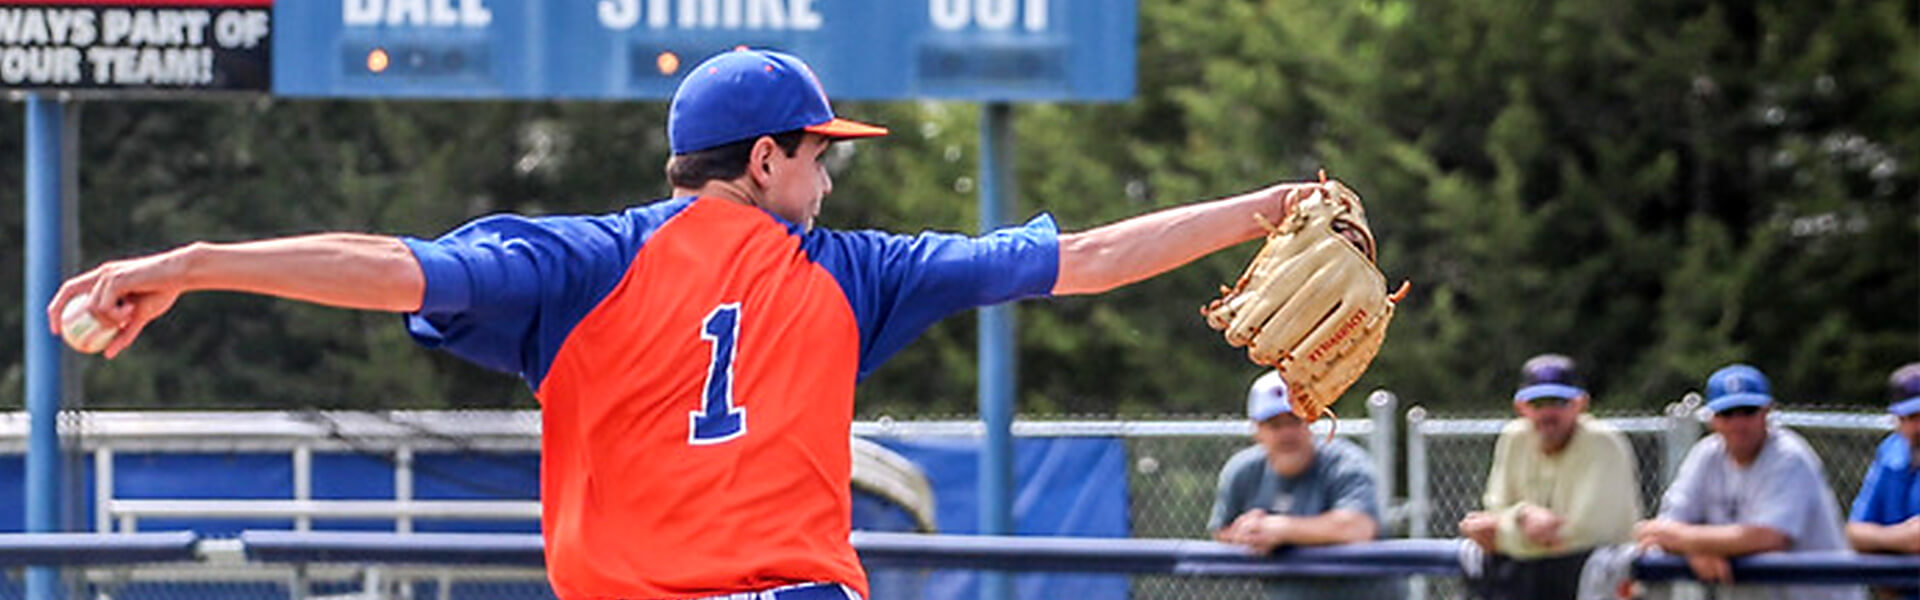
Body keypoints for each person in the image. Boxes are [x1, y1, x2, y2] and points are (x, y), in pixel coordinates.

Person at [50, 48, 1357, 600]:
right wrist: (1261, 208)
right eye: (821, 153)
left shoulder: (575, 263)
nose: (832, 174)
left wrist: (196, 260)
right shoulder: (853, 269)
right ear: (771, 157)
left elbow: (389, 268)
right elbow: (1079, 260)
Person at [1634, 364, 1862, 600]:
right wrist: (1694, 551)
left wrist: (1687, 542)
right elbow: (1662, 529)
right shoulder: (1706, 455)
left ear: (1767, 412)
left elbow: (1769, 537)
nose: (1738, 423)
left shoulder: (1789, 456)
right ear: (1712, 419)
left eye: (1748, 411)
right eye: (1727, 414)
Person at [1456, 354, 1641, 600]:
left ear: (1580, 404)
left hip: (1592, 581)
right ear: (1521, 407)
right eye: (1538, 403)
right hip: (1528, 576)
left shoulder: (1603, 442)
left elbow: (1590, 533)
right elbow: (1494, 507)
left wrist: (1503, 535)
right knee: (1473, 557)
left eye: (1559, 402)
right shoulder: (1514, 438)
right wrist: (1524, 515)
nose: (1548, 412)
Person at [1210, 370, 1402, 600]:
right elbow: (1221, 531)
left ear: (1311, 422)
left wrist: (1279, 529)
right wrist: (1246, 534)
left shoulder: (1345, 462)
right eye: (1274, 425)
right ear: (1257, 431)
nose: (1286, 433)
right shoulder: (1243, 471)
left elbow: (1358, 527)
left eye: (1294, 420)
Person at [1846, 363, 1920, 599]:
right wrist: (1901, 539)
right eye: (1910, 417)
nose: (1918, 426)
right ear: (1897, 418)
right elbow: (1854, 533)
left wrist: (1884, 543)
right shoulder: (1891, 452)